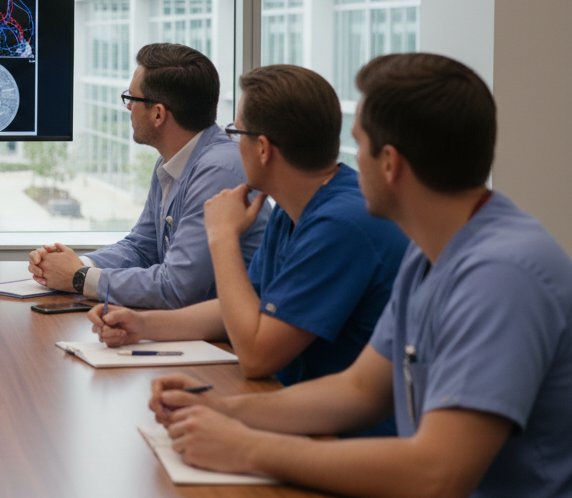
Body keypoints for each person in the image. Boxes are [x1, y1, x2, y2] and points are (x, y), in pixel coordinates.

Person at [149, 53, 572, 498]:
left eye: (360, 145)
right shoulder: (430, 254)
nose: (349, 163)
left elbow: (439, 474)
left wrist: (248, 448)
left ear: (389, 163)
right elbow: (360, 390)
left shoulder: (501, 274)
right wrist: (222, 410)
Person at [90, 66, 407, 409]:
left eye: (236, 133)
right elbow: (242, 309)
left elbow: (256, 356)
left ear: (263, 149)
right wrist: (142, 325)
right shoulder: (291, 210)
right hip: (294, 403)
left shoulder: (341, 224)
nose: (232, 145)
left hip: (343, 426)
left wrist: (222, 236)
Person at [28, 43, 269, 308]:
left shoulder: (218, 172)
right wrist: (77, 264)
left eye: (132, 98)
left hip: (223, 331)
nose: (129, 107)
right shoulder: (172, 160)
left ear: (158, 114)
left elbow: (176, 288)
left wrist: (79, 278)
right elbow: (142, 247)